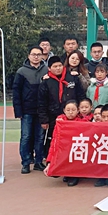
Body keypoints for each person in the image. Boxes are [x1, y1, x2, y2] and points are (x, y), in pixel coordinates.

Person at [38, 56, 85, 157]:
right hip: (53, 115)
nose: (58, 68)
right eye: (55, 66)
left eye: (59, 66)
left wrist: (81, 111)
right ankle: (51, 158)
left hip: (72, 115)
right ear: (49, 68)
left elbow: (81, 95)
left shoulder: (72, 78)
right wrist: (44, 119)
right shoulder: (46, 82)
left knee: (72, 137)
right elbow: (42, 102)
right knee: (53, 137)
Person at [13, 45, 48, 174]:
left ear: (42, 56)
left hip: (41, 110)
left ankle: (38, 162)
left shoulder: (47, 70)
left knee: (40, 137)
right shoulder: (21, 71)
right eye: (34, 54)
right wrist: (18, 111)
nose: (36, 57)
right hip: (26, 110)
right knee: (26, 137)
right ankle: (26, 162)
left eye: (39, 54)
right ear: (29, 56)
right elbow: (16, 92)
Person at [54, 100, 81, 186]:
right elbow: (55, 141)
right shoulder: (60, 122)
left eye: (73, 110)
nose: (70, 112)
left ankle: (75, 175)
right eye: (68, 110)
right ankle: (66, 172)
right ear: (64, 110)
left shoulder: (82, 123)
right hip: (65, 149)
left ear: (78, 110)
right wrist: (50, 161)